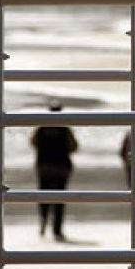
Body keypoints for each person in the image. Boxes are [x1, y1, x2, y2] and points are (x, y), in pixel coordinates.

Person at [32, 99, 77, 240]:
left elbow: (32, 142)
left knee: (43, 197)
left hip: (44, 167)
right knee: (59, 200)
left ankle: (43, 221)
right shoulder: (65, 128)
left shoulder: (42, 127)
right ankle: (57, 230)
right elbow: (74, 146)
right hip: (61, 168)